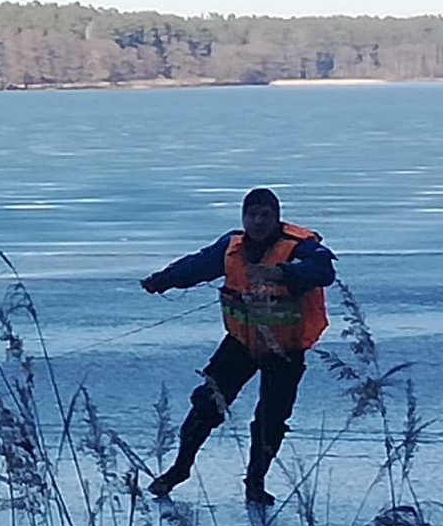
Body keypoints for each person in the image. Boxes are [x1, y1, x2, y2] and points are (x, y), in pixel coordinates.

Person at [139, 188, 334, 505]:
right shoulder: (232, 246)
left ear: (277, 218)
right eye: (251, 215)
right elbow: (197, 266)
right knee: (206, 405)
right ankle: (179, 469)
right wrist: (163, 279)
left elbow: (324, 271)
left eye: (265, 215)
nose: (257, 222)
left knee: (271, 419)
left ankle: (255, 483)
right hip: (241, 343)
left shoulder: (300, 246)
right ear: (243, 218)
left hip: (284, 350)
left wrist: (283, 273)